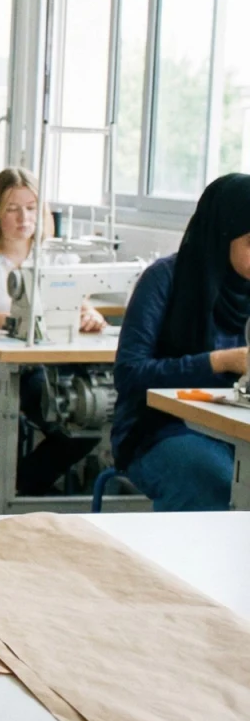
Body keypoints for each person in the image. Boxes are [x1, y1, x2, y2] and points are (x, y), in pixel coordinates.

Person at [0, 167, 103, 510]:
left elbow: (80, 306)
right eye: (13, 208)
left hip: (34, 367)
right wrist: (25, 320)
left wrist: (90, 317)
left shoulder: (56, 257)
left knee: (83, 421)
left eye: (31, 207)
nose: (23, 217)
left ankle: (10, 492)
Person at [113, 174, 250, 510]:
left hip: (235, 431)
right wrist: (219, 362)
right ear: (222, 235)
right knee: (213, 483)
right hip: (162, 430)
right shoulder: (165, 280)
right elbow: (130, 374)